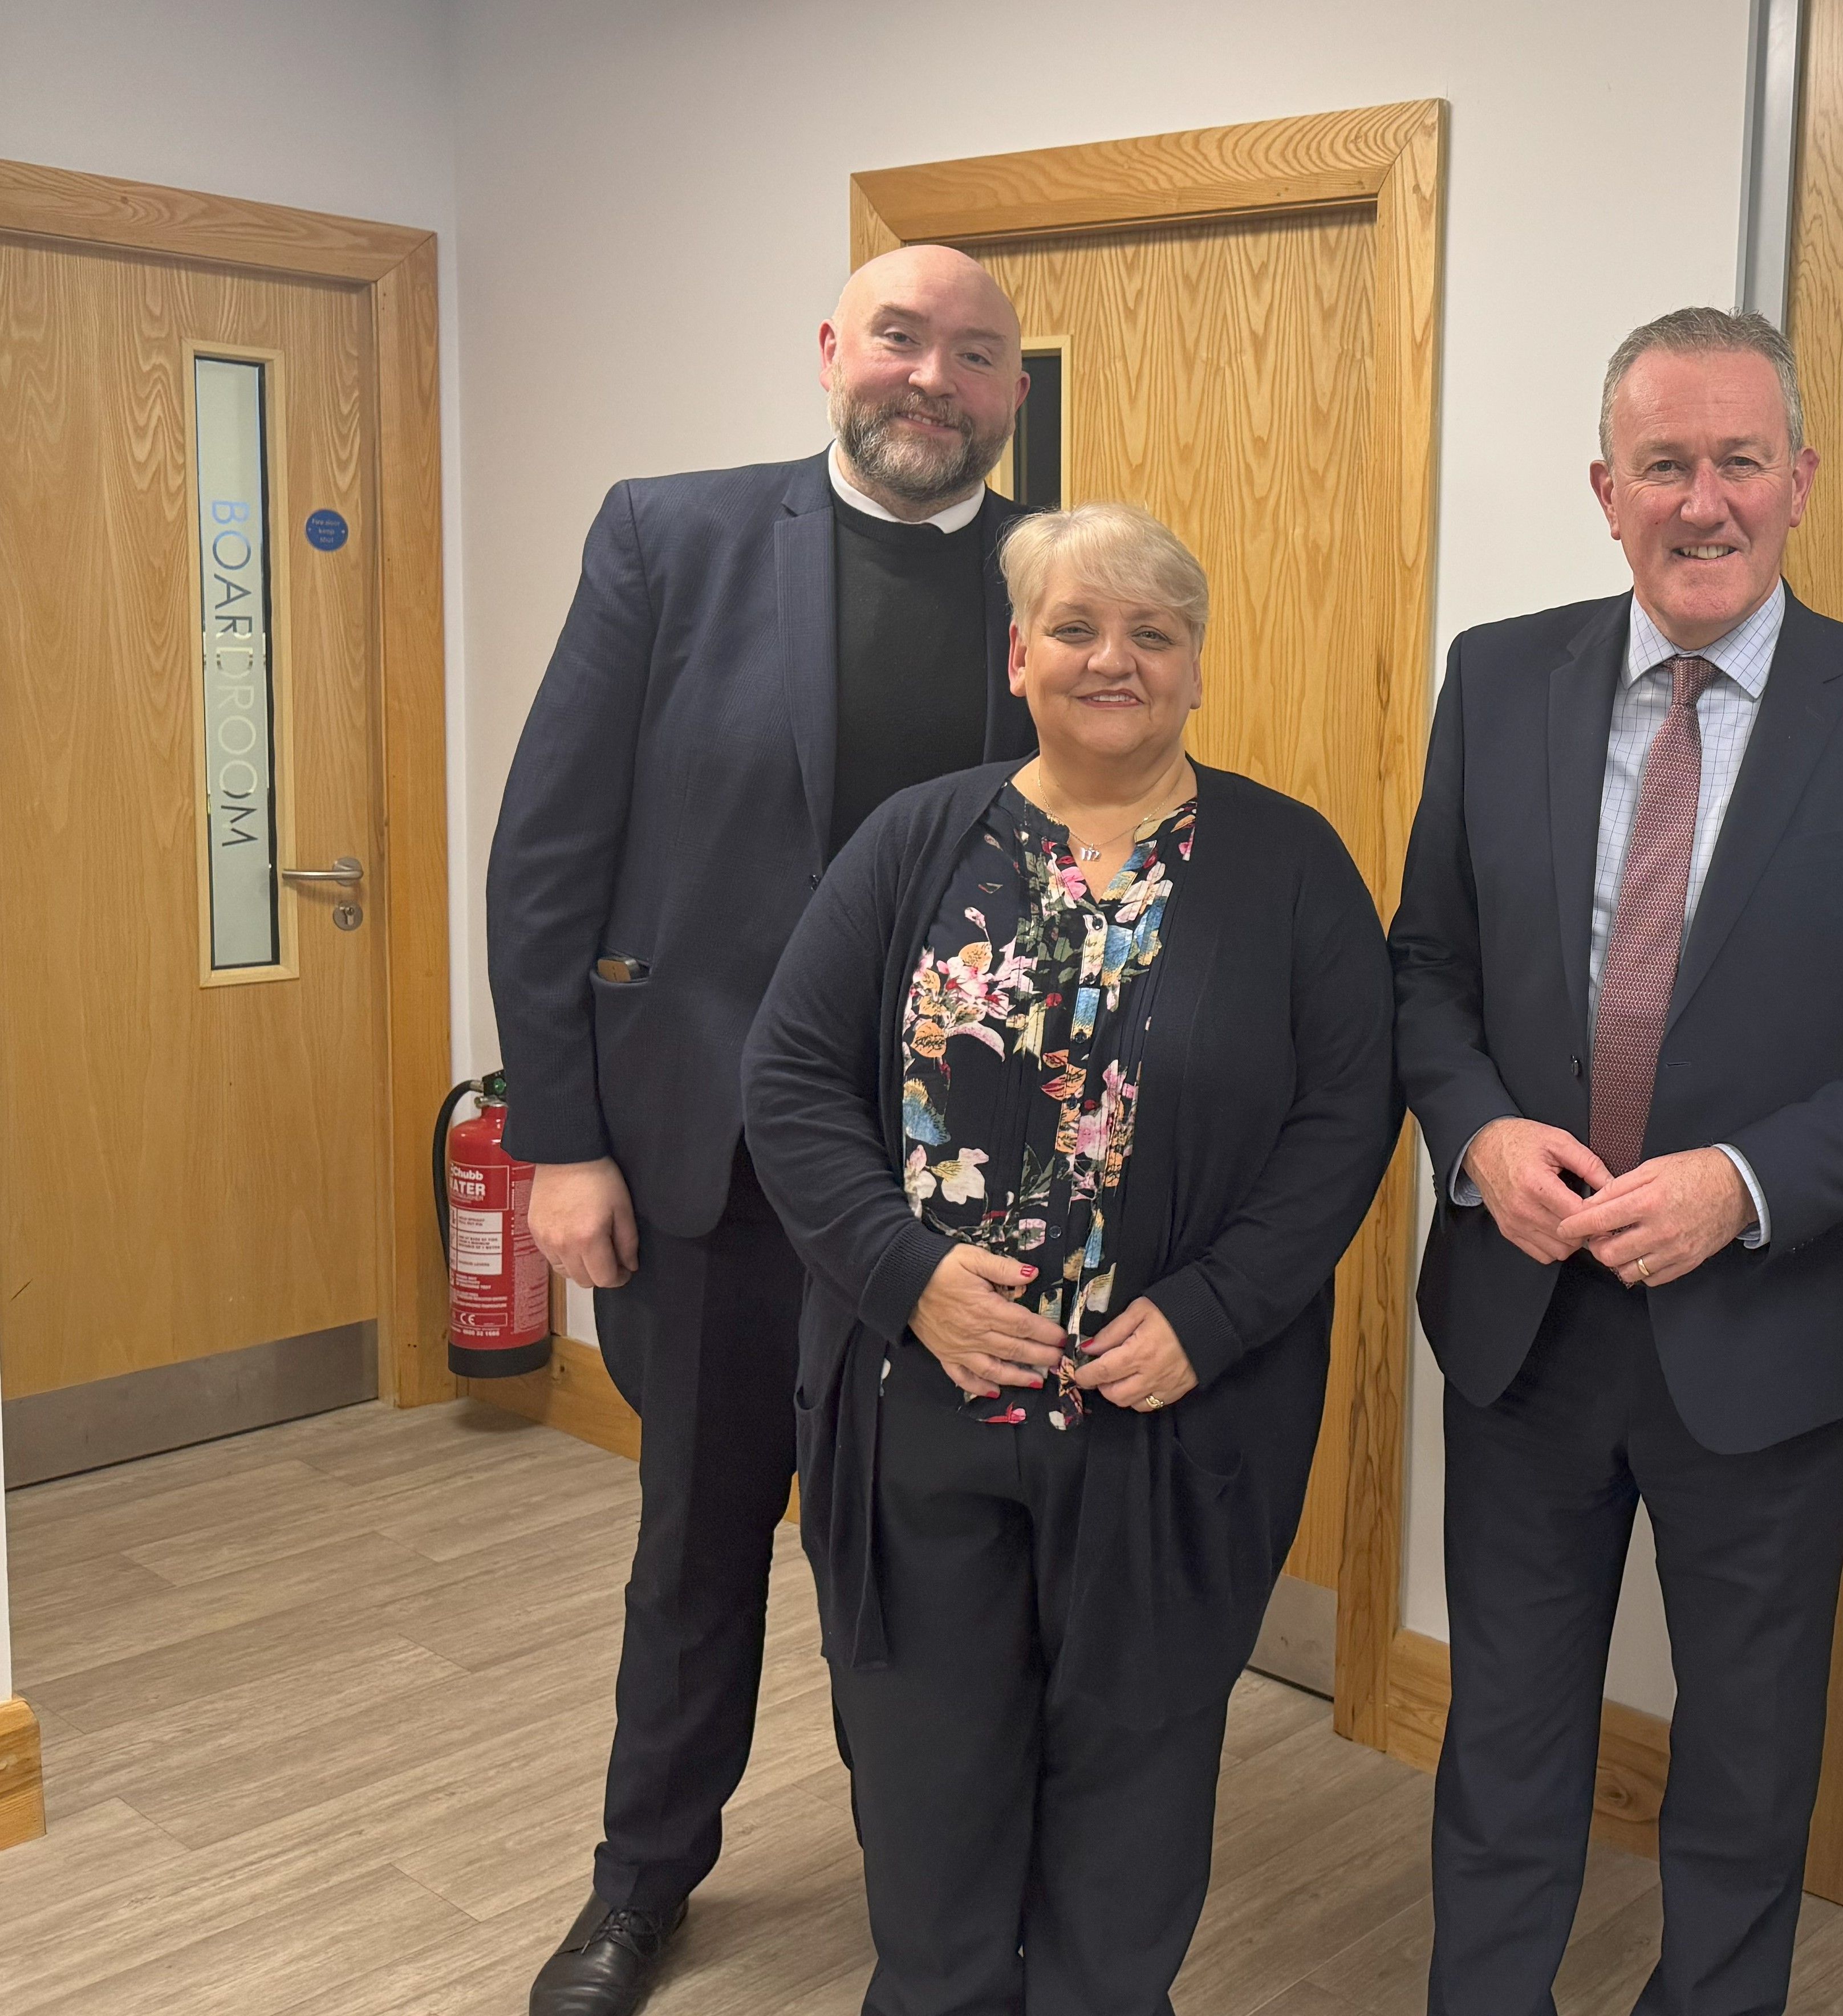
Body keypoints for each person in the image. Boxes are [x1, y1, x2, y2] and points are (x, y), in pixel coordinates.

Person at [1389, 307, 1843, 2016]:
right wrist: (1480, 1133)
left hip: (1771, 1333)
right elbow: (1422, 964)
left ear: (1801, 481)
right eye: (1666, 464)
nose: (1703, 501)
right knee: (1503, 1741)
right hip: (1524, 1320)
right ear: (1606, 488)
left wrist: (1746, 1186)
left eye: (1740, 461)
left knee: (1744, 1759)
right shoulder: (1499, 676)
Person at [742, 501, 1399, 2015]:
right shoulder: (916, 840)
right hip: (922, 1414)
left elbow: (1345, 1120)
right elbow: (787, 1084)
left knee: (1138, 1782)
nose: (1117, 659)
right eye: (1080, 629)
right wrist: (905, 1279)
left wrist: (1213, 1314)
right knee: (928, 1780)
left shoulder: (1292, 863)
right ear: (1020, 652)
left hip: (1173, 1422)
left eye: (1154, 634)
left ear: (1195, 665)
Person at [486, 244, 1040, 2016]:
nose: (931, 381)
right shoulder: (673, 538)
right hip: (705, 1175)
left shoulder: (1050, 579)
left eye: (973, 356)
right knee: (698, 1548)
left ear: (1012, 394)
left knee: (923, 1569)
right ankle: (638, 1883)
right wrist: (557, 1139)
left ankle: (934, 1897)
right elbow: (549, 852)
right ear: (831, 351)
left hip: (937, 1198)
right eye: (901, 338)